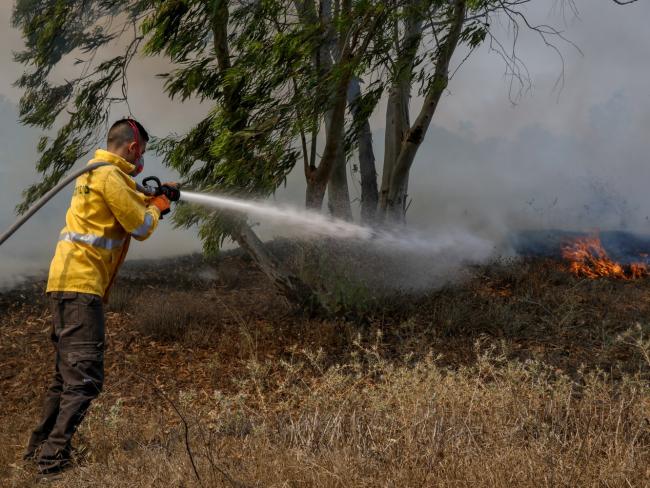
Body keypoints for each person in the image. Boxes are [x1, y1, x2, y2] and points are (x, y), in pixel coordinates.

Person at [24, 118, 174, 475]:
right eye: (143, 154)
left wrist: (157, 192)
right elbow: (140, 226)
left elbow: (129, 196)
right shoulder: (108, 176)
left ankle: (36, 452)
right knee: (85, 379)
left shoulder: (98, 173)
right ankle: (52, 461)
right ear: (133, 148)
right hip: (81, 288)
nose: (143, 161)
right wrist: (158, 206)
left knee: (64, 378)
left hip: (64, 284)